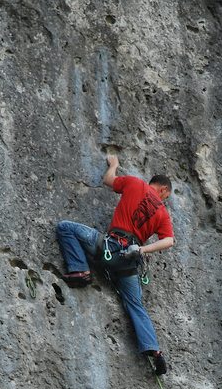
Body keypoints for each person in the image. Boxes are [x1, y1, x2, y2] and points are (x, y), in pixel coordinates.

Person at [56, 155, 174, 374]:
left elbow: (109, 180)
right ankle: (155, 351)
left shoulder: (134, 183)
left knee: (65, 227)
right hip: (129, 262)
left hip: (109, 248)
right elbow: (169, 240)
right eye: (167, 196)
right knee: (135, 304)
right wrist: (142, 249)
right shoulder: (163, 213)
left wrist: (114, 165)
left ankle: (80, 270)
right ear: (164, 190)